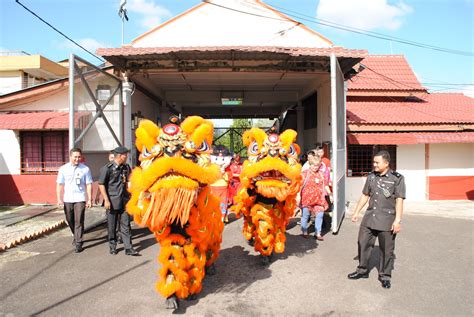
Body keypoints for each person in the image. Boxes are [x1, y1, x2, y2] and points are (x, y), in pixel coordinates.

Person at [348, 150, 406, 289]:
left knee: (387, 250)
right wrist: (356, 212)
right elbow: (365, 195)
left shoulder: (397, 178)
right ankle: (362, 270)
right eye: (374, 162)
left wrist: (397, 220)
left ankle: (385, 276)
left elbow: (399, 200)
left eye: (377, 162)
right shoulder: (371, 177)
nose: (374, 164)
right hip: (370, 217)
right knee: (362, 243)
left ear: (386, 163)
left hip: (387, 219)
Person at [98, 146, 139, 256]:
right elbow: (101, 184)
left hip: (124, 200)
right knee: (112, 226)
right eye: (125, 155)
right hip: (112, 201)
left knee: (125, 225)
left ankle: (128, 248)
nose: (127, 157)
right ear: (120, 156)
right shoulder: (107, 168)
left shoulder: (126, 167)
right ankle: (112, 246)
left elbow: (129, 182)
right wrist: (106, 200)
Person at [56, 147, 93, 253]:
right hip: (67, 198)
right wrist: (59, 199)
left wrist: (89, 199)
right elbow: (59, 184)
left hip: (80, 198)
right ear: (70, 156)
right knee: (69, 219)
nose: (77, 159)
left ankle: (78, 243)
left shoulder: (85, 169)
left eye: (79, 157)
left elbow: (89, 184)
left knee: (79, 220)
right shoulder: (63, 169)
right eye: (75, 157)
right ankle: (76, 235)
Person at [300, 152, 333, 240]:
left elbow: (326, 185)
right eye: (313, 165)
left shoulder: (321, 174)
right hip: (307, 199)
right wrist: (297, 196)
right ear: (310, 164)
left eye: (317, 165)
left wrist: (330, 195)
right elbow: (299, 185)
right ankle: (304, 230)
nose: (315, 167)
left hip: (319, 199)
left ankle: (317, 233)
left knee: (320, 215)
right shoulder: (304, 173)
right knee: (305, 215)